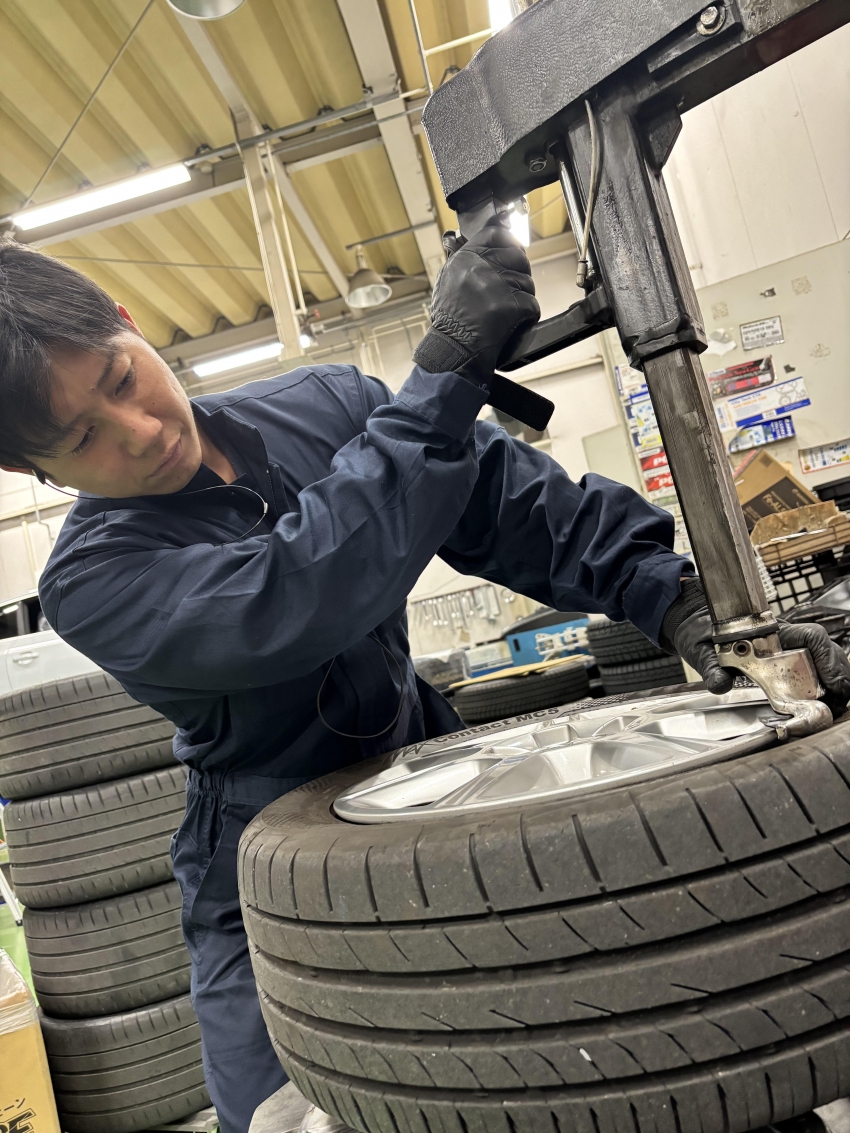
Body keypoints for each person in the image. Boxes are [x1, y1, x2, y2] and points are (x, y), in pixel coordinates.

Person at [0, 232, 847, 1133]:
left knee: (587, 1038)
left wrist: (675, 597)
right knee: (290, 1116)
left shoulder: (326, 406)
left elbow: (513, 508)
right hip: (264, 864)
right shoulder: (92, 581)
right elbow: (299, 591)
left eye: (121, 378)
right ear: (30, 470)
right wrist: (442, 379)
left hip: (430, 774)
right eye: (84, 438)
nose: (141, 432)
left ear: (129, 323)